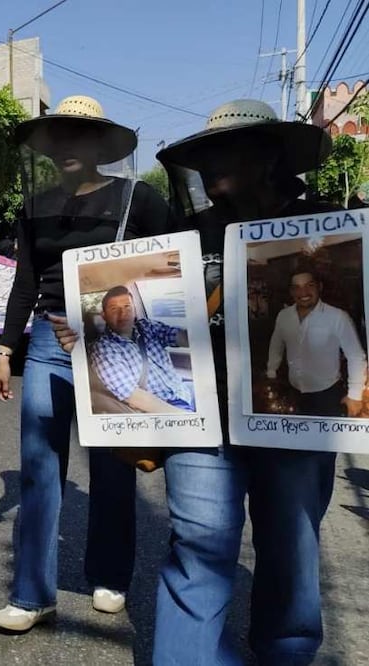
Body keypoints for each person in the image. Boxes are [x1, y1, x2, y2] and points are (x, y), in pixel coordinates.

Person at [148, 99, 341, 664]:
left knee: (291, 549)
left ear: (269, 157)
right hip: (202, 420)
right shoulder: (184, 232)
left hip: (296, 419)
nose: (211, 167)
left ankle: (286, 652)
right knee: (196, 551)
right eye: (203, 157)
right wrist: (87, 337)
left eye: (225, 152)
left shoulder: (331, 226)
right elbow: (157, 324)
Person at [0, 95, 173, 631]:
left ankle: (111, 575)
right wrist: (5, 351)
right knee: (38, 467)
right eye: (58, 139)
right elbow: (26, 280)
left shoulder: (137, 197)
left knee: (114, 466)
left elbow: (170, 265)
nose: (67, 147)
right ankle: (31, 595)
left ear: (99, 145)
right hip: (48, 342)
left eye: (79, 137)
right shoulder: (35, 205)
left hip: (112, 341)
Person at [265, 268, 366, 417]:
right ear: (291, 292)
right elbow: (276, 345)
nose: (303, 292)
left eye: (309, 285)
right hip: (293, 392)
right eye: (296, 288)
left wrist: (355, 395)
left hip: (328, 395)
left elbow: (356, 356)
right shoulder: (283, 316)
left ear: (319, 287)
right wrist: (271, 372)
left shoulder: (338, 317)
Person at [89, 285, 194, 413]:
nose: (122, 314)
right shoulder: (103, 349)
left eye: (127, 306)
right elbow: (133, 396)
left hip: (182, 391)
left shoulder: (147, 326)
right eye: (114, 309)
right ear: (104, 315)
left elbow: (178, 336)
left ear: (135, 309)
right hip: (165, 408)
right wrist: (184, 417)